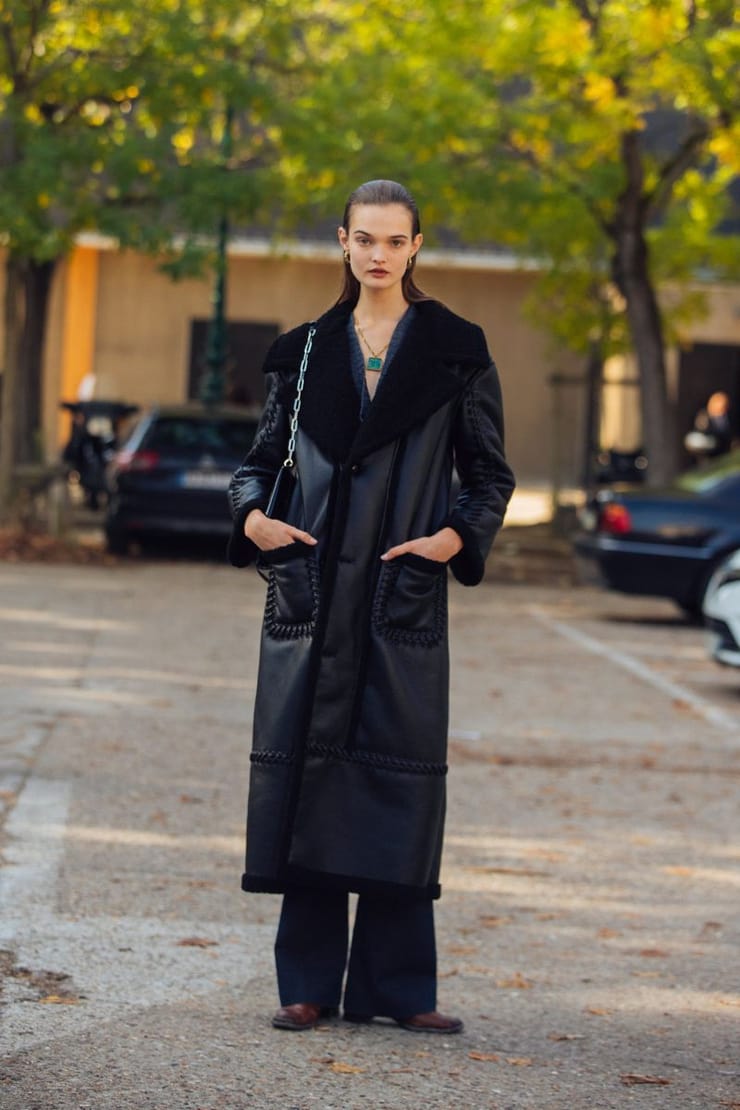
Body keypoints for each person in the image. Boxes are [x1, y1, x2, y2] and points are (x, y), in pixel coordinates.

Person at [227, 179, 515, 1035]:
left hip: (399, 596)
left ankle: (399, 988)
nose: (379, 254)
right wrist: (254, 521)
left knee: (397, 780)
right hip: (312, 594)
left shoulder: (457, 350)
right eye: (365, 239)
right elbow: (257, 465)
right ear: (343, 242)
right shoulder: (302, 352)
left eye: (395, 240)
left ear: (416, 246)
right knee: (311, 770)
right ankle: (306, 983)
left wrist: (450, 541)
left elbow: (490, 476)